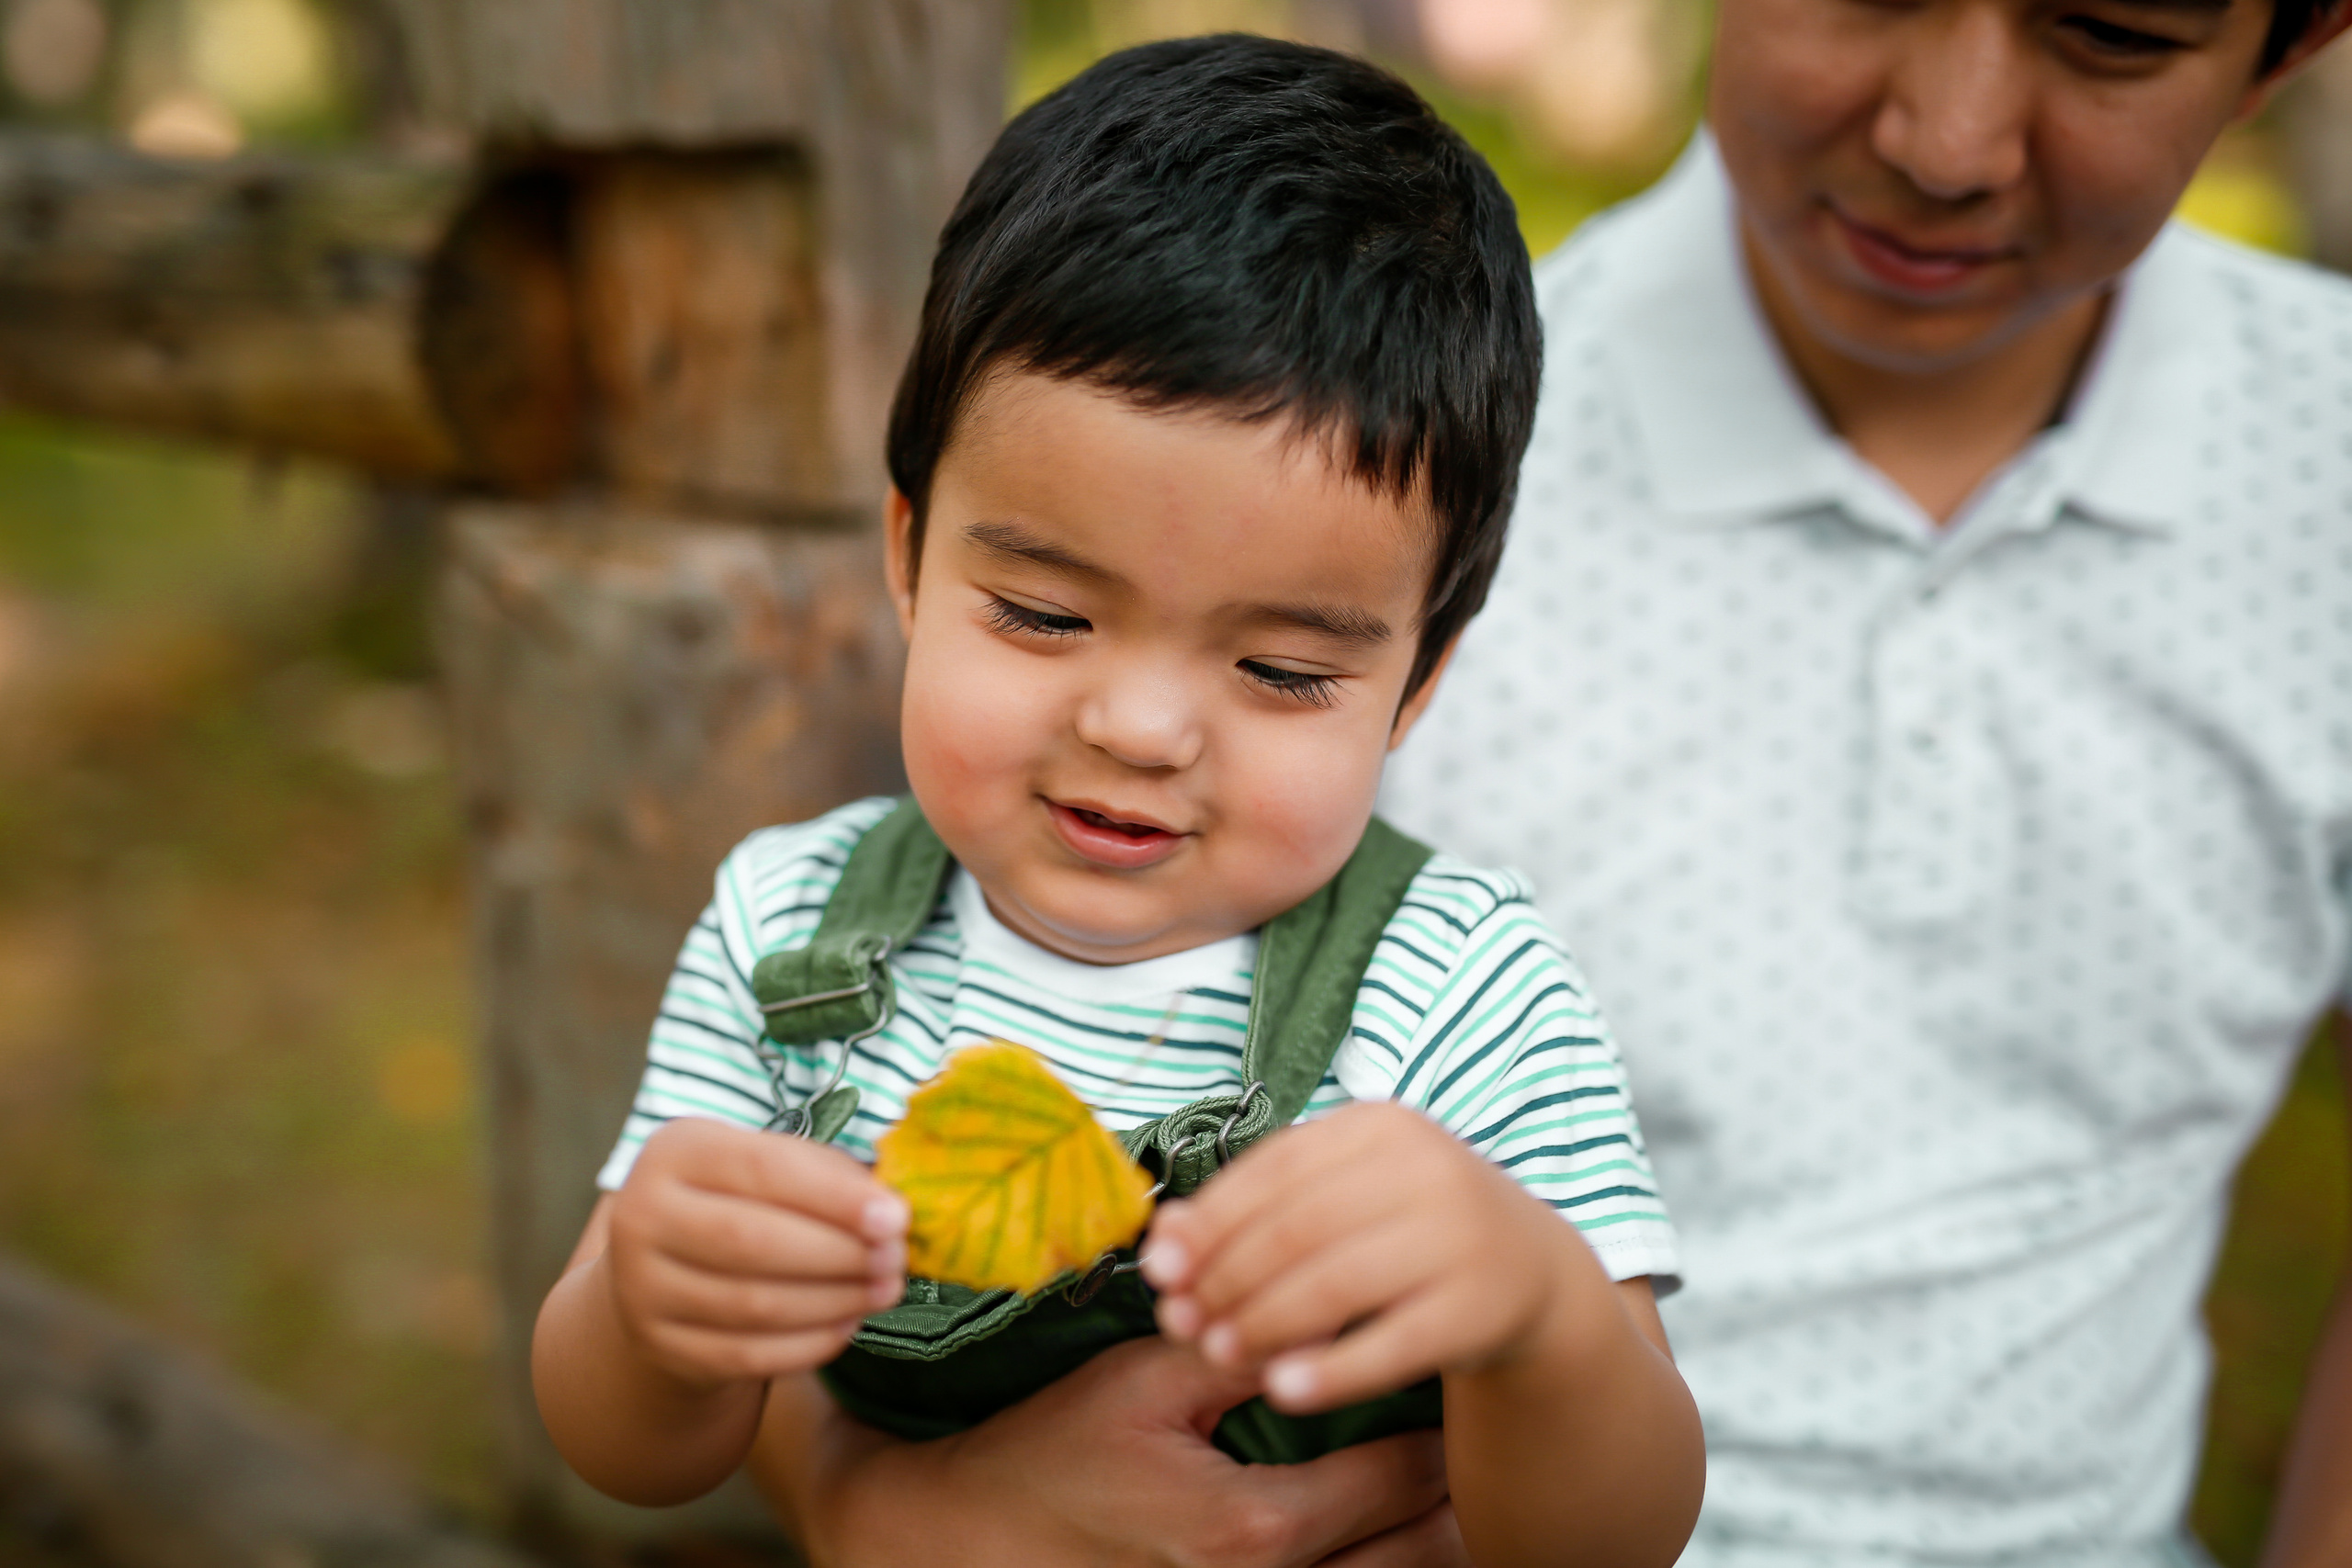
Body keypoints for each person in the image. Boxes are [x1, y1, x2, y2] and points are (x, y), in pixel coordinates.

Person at [529, 36, 1702, 1568]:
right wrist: (647, 1306)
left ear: (1414, 684)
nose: (1139, 727)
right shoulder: (795, 929)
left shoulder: (1460, 985)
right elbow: (637, 1455)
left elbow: (1611, 1540)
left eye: (1282, 671)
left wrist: (1539, 1310)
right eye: (1042, 614)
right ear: (909, 554)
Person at [1374, 0, 2352, 1558]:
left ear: (2285, 56)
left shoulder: (2328, 469)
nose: (1946, 144)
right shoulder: (1388, 472)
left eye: (2108, 34)